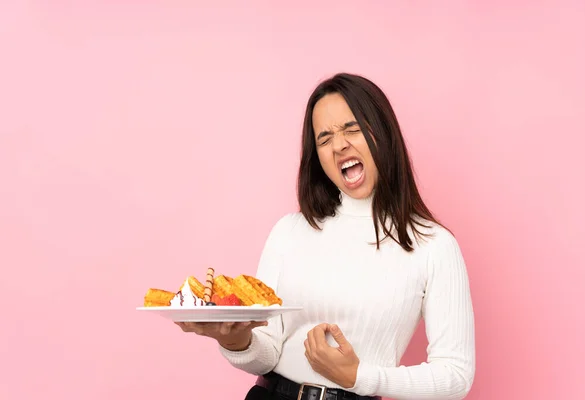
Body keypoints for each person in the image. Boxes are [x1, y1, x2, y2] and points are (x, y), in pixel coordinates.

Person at [175, 73, 476, 400]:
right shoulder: (289, 231)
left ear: (384, 133)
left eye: (352, 129)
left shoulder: (434, 245)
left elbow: (455, 375)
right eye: (324, 138)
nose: (339, 144)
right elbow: (269, 351)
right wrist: (235, 341)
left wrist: (361, 377)